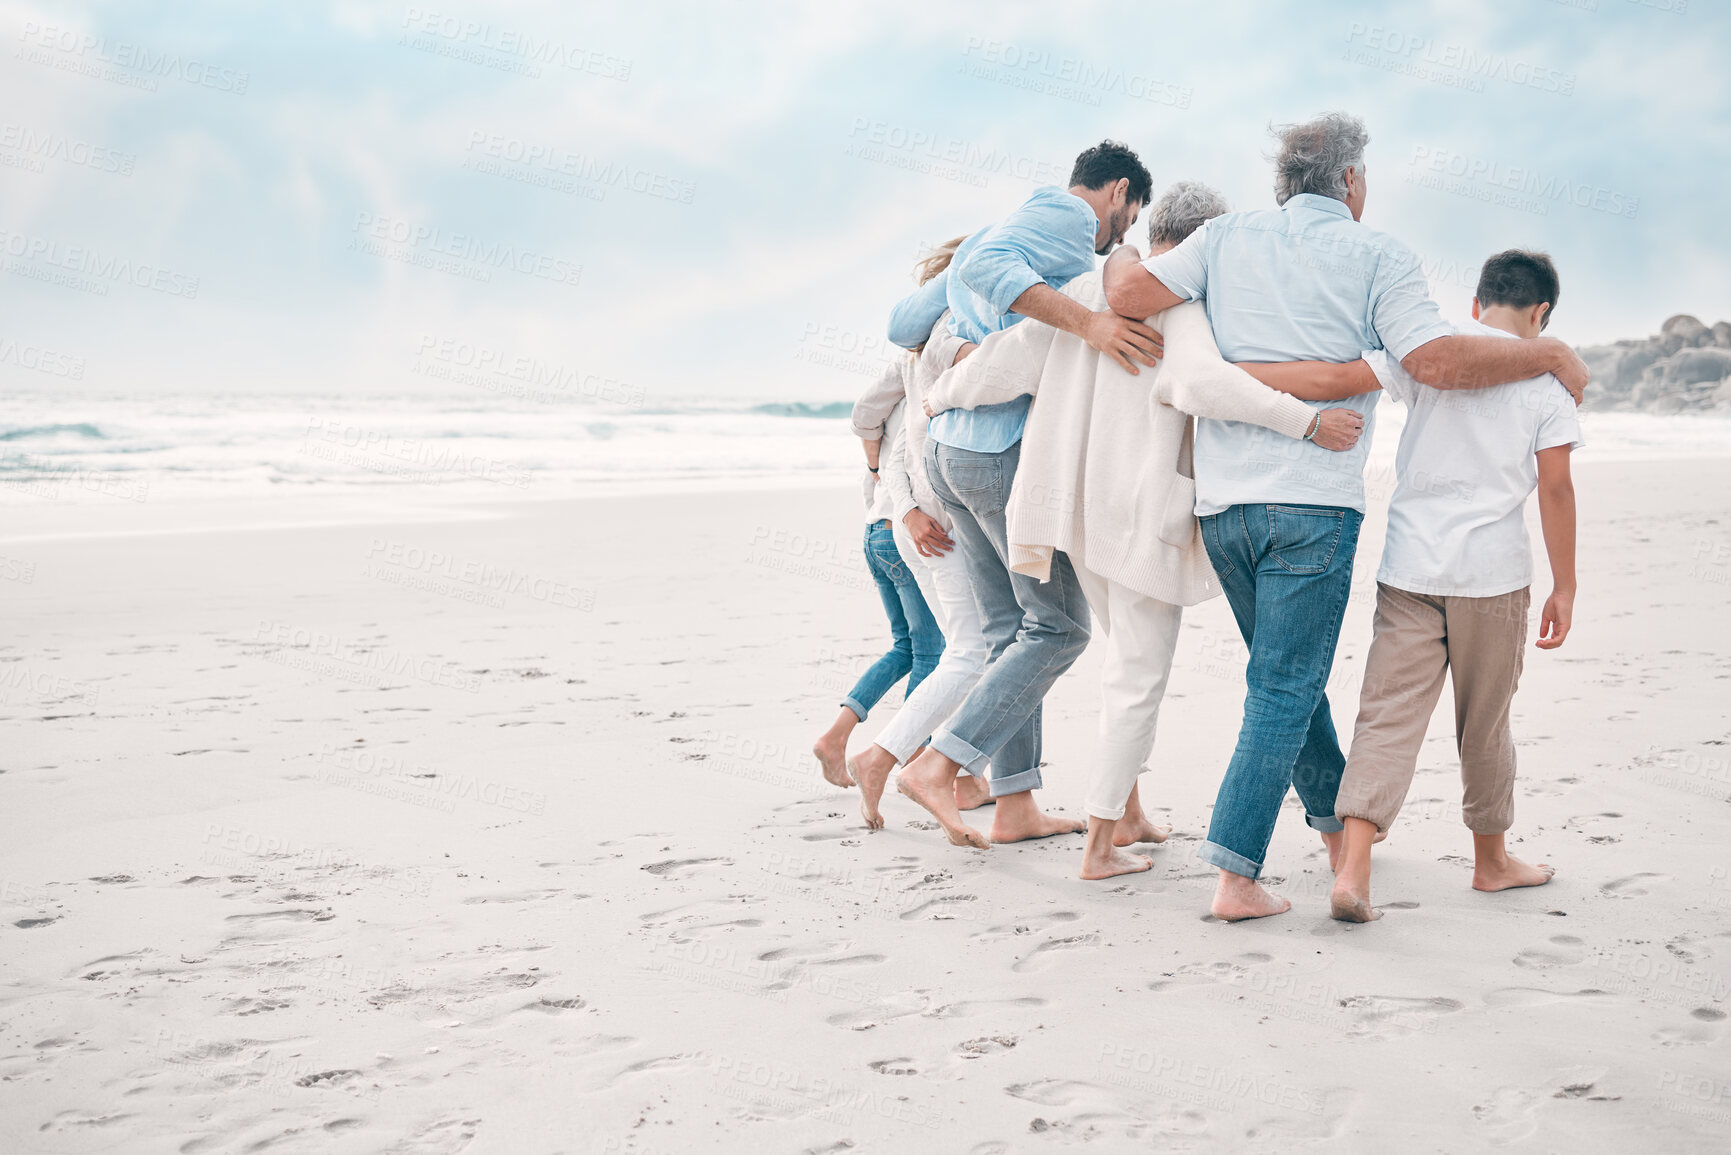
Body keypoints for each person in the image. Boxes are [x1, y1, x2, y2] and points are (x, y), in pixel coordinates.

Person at [1102, 112, 1591, 920]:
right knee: (1284, 685)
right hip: (1312, 505)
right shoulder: (1380, 255)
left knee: (1288, 684)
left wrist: (1120, 230)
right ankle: (1233, 872)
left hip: (1223, 503)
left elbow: (1124, 290)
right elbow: (1430, 359)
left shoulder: (1221, 239)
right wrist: (1549, 353)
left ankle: (1339, 837)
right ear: (1352, 181)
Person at [922, 181, 1371, 878]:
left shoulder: (1083, 288)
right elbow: (1200, 386)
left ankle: (1124, 815)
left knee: (1121, 662)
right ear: (1201, 243)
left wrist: (935, 399)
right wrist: (1304, 420)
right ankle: (1099, 847)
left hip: (1072, 513)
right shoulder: (1179, 304)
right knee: (1138, 675)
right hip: (1135, 519)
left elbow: (1002, 363)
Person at [886, 142, 1164, 849]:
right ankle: (938, 763)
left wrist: (980, 333)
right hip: (998, 451)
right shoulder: (1064, 218)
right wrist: (1090, 324)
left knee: (1013, 631)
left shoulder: (995, 229)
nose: (1121, 236)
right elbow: (985, 273)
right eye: (1127, 219)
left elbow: (903, 324)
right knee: (1060, 626)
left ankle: (1014, 806)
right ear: (1117, 192)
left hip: (949, 452)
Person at [1325, 250, 1581, 921]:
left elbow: (1346, 377)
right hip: (1490, 576)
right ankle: (1490, 862)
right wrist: (1565, 586)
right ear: (1541, 313)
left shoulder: (1428, 351)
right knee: (1484, 723)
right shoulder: (1548, 382)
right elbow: (1554, 486)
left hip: (1409, 564)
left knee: (1385, 713)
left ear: (1474, 304)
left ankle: (1352, 869)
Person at [839, 239, 998, 831]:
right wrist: (902, 507)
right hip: (936, 526)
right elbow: (904, 438)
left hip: (930, 520)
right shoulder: (936, 342)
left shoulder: (928, 342)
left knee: (977, 651)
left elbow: (908, 435)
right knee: (970, 653)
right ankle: (892, 759)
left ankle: (955, 773)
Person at [809, 355, 946, 788]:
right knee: (931, 652)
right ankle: (912, 760)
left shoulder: (887, 409)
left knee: (906, 647)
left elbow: (867, 438)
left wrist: (873, 468)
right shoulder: (924, 400)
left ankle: (835, 738)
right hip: (904, 532)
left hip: (875, 531)